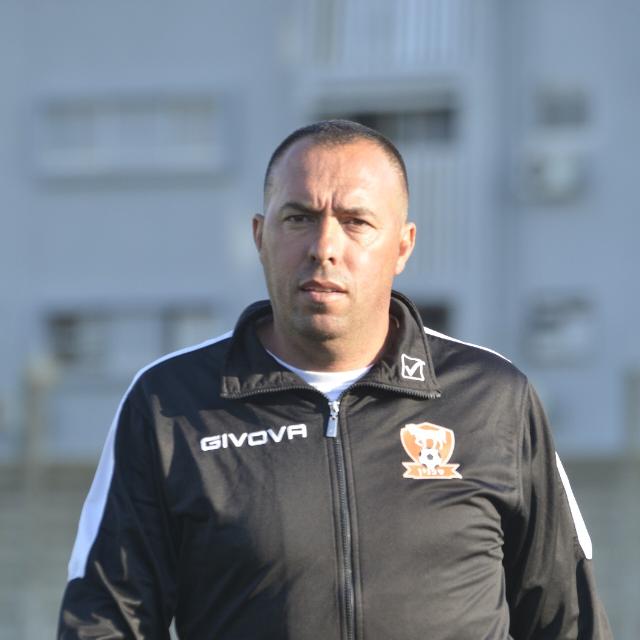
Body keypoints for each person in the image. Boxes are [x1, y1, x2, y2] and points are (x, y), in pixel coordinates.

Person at [58, 119, 612, 639]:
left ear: (402, 245)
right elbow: (105, 622)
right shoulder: (170, 403)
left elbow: (567, 620)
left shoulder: (493, 398)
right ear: (259, 237)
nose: (324, 247)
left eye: (356, 222)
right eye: (298, 218)